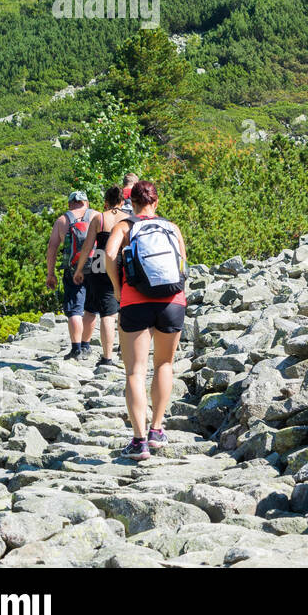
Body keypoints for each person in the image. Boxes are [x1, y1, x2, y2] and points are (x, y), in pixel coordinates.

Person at [104, 180, 188, 461]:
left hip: (135, 301)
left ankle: (139, 441)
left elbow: (110, 255)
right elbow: (182, 265)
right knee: (164, 363)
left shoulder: (125, 226)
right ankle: (157, 430)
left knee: (135, 371)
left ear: (132, 203)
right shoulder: (171, 227)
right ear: (156, 202)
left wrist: (117, 289)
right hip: (172, 301)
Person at [70, 186, 126, 367]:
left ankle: (106, 356)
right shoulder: (128, 219)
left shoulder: (99, 218)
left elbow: (87, 247)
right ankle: (124, 350)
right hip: (122, 263)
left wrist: (79, 269)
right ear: (122, 202)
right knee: (119, 309)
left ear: (106, 202)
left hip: (99, 263)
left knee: (101, 311)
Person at [44, 190, 96, 360]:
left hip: (73, 269)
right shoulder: (97, 216)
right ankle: (87, 345)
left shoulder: (63, 220)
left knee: (75, 310)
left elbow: (52, 248)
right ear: (86, 203)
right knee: (90, 309)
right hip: (95, 268)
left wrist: (50, 274)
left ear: (70, 204)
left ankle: (76, 349)